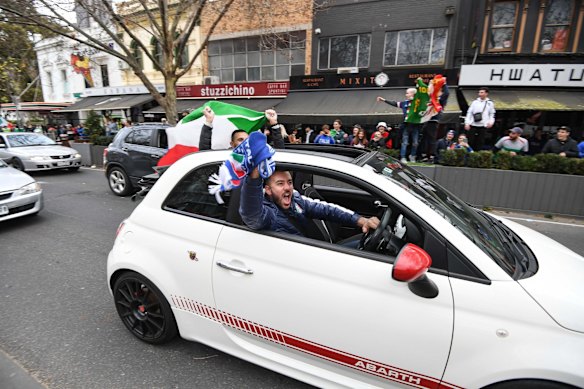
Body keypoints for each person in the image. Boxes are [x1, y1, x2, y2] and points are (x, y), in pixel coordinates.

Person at [239, 167, 380, 241]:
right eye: (280, 184)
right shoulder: (267, 214)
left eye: (289, 182)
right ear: (268, 190)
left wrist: (361, 220)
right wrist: (254, 176)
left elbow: (327, 209)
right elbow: (251, 213)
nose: (287, 187)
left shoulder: (295, 199)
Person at [420, 83, 449, 163]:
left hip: (433, 121)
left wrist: (444, 84)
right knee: (424, 139)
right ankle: (424, 156)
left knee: (431, 139)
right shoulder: (429, 97)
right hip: (425, 120)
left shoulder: (440, 99)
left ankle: (431, 156)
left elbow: (446, 94)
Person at [464, 87, 496, 151]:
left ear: (486, 93)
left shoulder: (490, 103)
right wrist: (467, 123)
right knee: (470, 140)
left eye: (482, 92)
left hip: (483, 125)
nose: (480, 94)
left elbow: (492, 114)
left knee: (480, 141)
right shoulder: (475, 102)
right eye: (479, 92)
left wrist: (491, 122)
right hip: (473, 124)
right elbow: (469, 113)